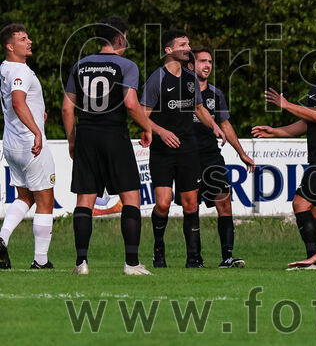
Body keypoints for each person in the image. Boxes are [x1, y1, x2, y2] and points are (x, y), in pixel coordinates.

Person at [61, 16, 156, 275]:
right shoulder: (127, 65)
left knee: (85, 199)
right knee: (131, 197)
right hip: (114, 134)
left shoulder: (80, 65)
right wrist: (147, 127)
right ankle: (132, 263)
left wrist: (72, 139)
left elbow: (67, 108)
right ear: (119, 38)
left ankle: (81, 263)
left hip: (87, 135)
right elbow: (131, 104)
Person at [252, 43, 316, 258]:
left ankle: (313, 258)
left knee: (300, 203)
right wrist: (275, 131)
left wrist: (287, 105)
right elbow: (307, 123)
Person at [141, 29, 225, 268]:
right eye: (183, 44)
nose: (188, 48)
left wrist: (214, 126)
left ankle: (194, 258)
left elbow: (199, 108)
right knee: (164, 203)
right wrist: (160, 132)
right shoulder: (157, 79)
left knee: (190, 203)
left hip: (189, 148)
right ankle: (159, 251)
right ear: (169, 50)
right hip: (163, 150)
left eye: (189, 43)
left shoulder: (190, 79)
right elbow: (142, 115)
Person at [187, 47, 256, 268]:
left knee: (224, 202)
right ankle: (194, 259)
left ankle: (227, 257)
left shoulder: (215, 94)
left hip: (211, 155)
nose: (207, 65)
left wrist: (242, 153)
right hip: (187, 155)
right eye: (202, 61)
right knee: (191, 206)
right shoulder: (180, 91)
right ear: (191, 65)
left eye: (210, 61)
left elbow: (225, 124)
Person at [0, 24, 55, 270]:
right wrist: (36, 131)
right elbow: (18, 101)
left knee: (25, 196)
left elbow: (19, 104)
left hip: (12, 143)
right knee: (45, 200)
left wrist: (35, 115)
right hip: (28, 143)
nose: (29, 41)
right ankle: (41, 261)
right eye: (23, 39)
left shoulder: (4, 68)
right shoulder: (20, 70)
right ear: (10, 46)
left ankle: (1, 239)